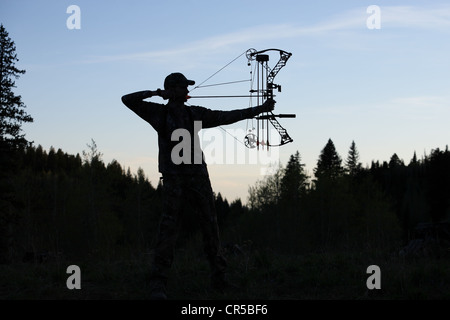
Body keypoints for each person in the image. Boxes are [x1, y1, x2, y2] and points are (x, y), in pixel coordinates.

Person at [121, 72, 275, 299]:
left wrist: (259, 109)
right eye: (183, 87)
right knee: (169, 229)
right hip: (174, 179)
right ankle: (158, 283)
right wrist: (155, 93)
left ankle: (219, 279)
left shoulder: (195, 113)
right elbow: (127, 99)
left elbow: (226, 116)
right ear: (173, 90)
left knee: (210, 228)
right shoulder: (159, 113)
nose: (187, 90)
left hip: (198, 178)